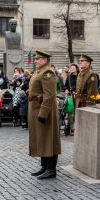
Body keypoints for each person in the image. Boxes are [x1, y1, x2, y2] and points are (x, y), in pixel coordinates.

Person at [28, 50, 61, 180]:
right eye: (35, 59)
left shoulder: (47, 72)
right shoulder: (39, 71)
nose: (36, 61)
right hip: (36, 108)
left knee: (49, 138)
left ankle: (51, 169)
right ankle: (44, 166)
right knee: (42, 138)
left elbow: (49, 95)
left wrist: (43, 113)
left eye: (38, 59)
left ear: (45, 59)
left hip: (44, 110)